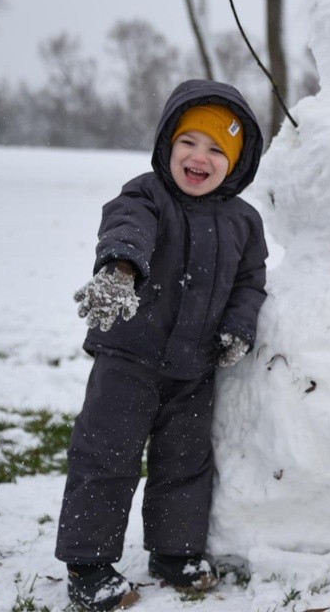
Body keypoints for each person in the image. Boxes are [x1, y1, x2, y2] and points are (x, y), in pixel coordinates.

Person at [55, 79, 268, 612]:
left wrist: (239, 329)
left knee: (186, 462)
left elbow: (250, 282)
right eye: (188, 143)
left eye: (217, 149)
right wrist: (120, 270)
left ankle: (175, 552)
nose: (200, 157)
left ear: (237, 163)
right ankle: (88, 563)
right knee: (107, 456)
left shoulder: (244, 221)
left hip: (195, 367)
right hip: (129, 358)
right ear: (168, 146)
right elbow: (127, 229)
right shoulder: (146, 194)